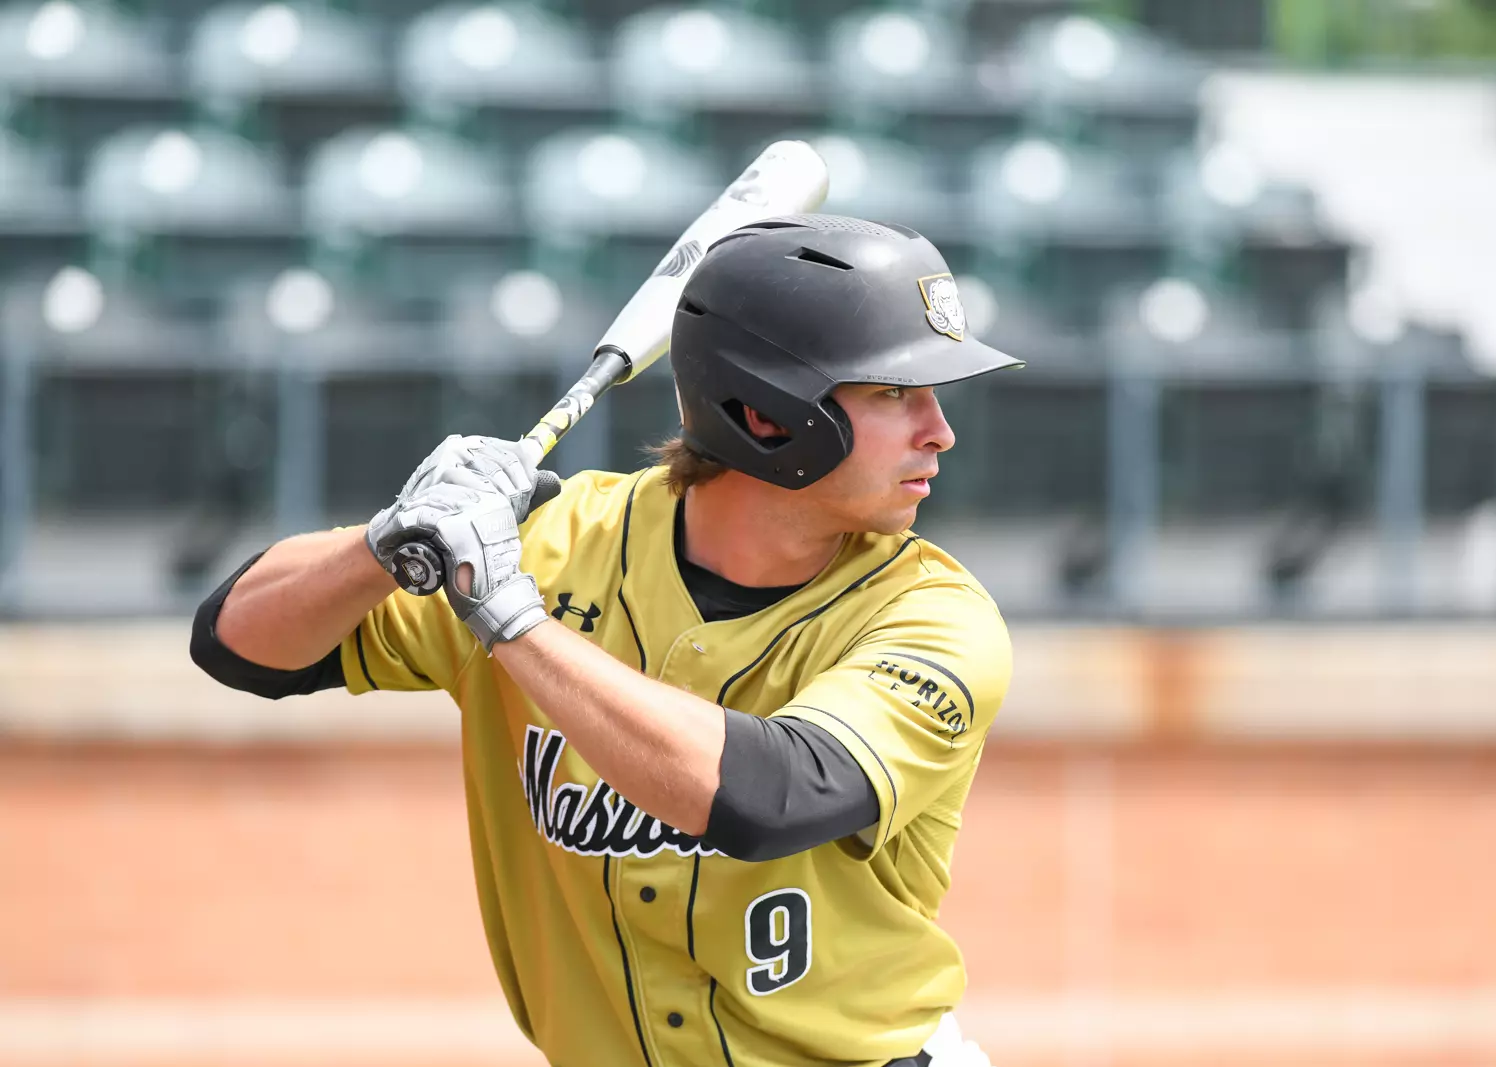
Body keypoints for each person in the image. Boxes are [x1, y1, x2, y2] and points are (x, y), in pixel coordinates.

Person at [193, 214, 1024, 1067]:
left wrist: (514, 623)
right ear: (769, 415)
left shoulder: (933, 616)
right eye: (894, 393)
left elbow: (770, 795)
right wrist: (390, 538)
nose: (939, 430)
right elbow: (236, 642)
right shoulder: (557, 544)